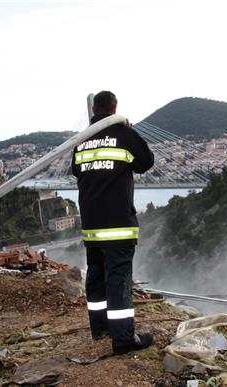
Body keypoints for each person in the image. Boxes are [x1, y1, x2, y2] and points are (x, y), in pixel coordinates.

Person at [71, 91, 155, 354]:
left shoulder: (81, 140)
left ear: (94, 108)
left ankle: (100, 329)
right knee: (118, 279)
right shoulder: (123, 134)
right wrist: (126, 128)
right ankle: (123, 339)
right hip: (118, 224)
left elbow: (77, 170)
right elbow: (146, 162)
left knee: (96, 275)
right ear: (115, 107)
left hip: (91, 225)